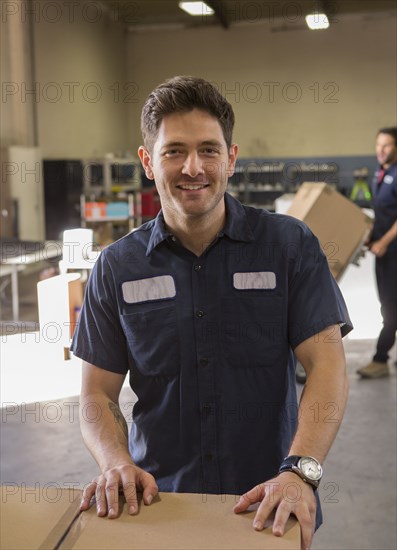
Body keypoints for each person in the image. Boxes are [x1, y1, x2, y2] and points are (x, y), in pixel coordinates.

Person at [71, 76, 352, 550]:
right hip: (161, 508)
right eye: (174, 151)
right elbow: (96, 393)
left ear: (232, 158)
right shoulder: (116, 267)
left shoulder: (287, 246)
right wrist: (114, 461)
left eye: (208, 149)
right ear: (147, 162)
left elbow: (327, 365)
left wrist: (301, 471)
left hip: (270, 506)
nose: (193, 167)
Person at [357, 127, 397, 378]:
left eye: (387, 145)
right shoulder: (379, 174)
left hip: (394, 251)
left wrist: (384, 240)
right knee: (388, 303)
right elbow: (382, 213)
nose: (381, 150)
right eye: (378, 145)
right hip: (384, 253)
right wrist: (370, 236)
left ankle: (380, 358)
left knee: (390, 307)